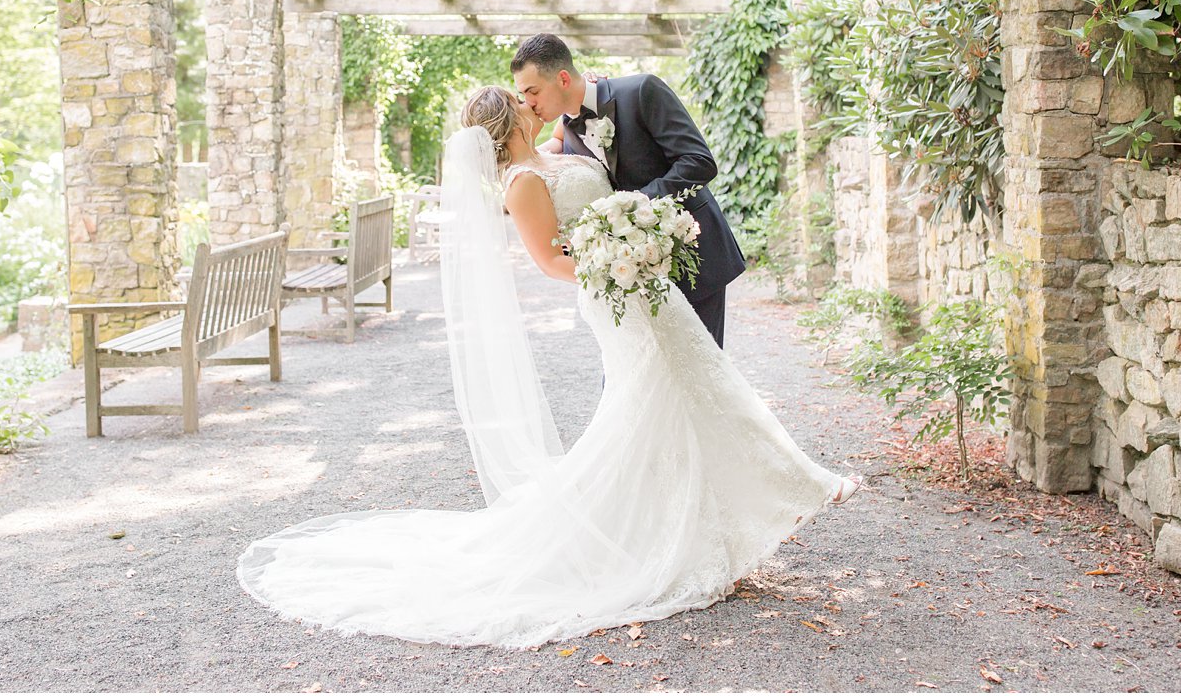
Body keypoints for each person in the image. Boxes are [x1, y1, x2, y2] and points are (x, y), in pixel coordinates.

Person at [234, 85, 865, 650]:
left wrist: (636, 243)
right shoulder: (523, 184)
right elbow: (549, 261)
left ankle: (739, 506)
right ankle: (748, 502)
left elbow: (610, 202)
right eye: (522, 103)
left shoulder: (560, 155)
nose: (533, 107)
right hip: (616, 294)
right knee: (653, 399)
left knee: (694, 387)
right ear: (509, 123)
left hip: (644, 283)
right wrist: (620, 265)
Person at [511, 33, 745, 348]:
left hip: (694, 256)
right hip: (634, 274)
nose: (529, 102)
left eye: (533, 91)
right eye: (522, 95)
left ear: (563, 78)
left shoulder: (642, 90)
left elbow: (699, 162)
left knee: (699, 373)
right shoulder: (568, 129)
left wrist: (633, 205)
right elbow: (544, 167)